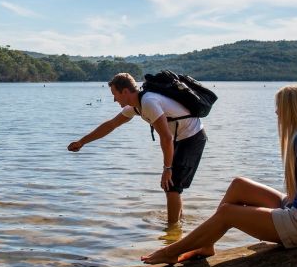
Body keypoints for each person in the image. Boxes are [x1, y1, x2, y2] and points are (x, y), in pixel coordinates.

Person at [141, 84, 297, 265]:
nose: (276, 112)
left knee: (227, 213)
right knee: (239, 184)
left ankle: (170, 252)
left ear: (290, 109)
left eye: (279, 107)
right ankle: (207, 244)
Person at [67, 72, 207, 224]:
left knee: (172, 185)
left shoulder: (148, 102)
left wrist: (167, 168)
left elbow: (166, 137)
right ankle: (177, 226)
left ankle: (172, 231)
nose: (114, 99)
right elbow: (111, 125)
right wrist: (82, 142)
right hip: (179, 137)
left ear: (125, 92)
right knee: (171, 186)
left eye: (115, 94)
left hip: (193, 136)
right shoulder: (136, 106)